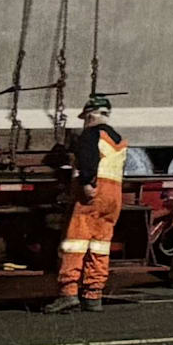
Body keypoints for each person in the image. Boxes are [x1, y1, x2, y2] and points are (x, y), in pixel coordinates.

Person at [44, 94, 131, 313]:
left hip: (92, 196)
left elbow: (88, 160)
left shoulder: (91, 135)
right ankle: (93, 296)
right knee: (99, 246)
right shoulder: (118, 139)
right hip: (113, 198)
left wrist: (85, 182)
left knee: (74, 244)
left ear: (91, 114)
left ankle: (68, 294)